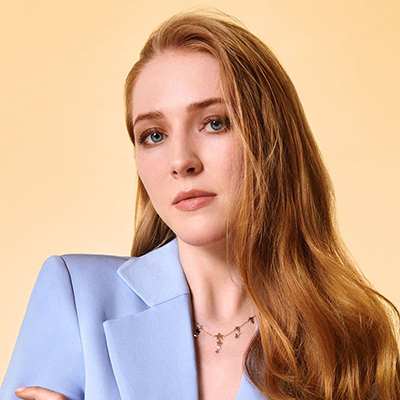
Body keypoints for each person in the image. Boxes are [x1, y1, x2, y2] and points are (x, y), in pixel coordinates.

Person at [1, 8, 399, 400]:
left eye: (214, 123)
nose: (181, 161)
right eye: (154, 135)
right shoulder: (77, 298)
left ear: (271, 138)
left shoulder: (352, 347)